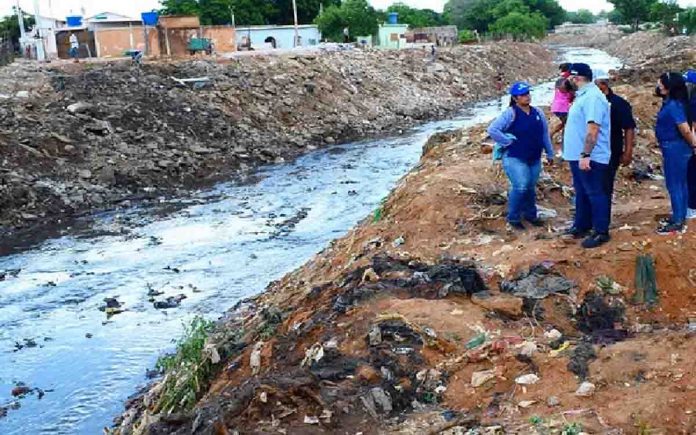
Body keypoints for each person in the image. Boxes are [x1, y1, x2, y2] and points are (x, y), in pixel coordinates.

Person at [488, 81, 554, 230]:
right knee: (520, 186)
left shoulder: (538, 113)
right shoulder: (510, 113)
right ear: (515, 98)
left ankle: (531, 215)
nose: (526, 97)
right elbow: (493, 130)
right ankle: (514, 217)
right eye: (522, 95)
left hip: (534, 156)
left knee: (530, 187)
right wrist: (507, 142)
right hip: (515, 156)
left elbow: (544, 134)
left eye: (527, 94)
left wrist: (550, 152)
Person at [562, 63, 612, 249]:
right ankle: (582, 225)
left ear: (576, 78)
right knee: (582, 192)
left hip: (591, 156)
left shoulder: (593, 98)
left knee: (595, 193)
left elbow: (593, 128)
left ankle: (601, 231)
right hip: (578, 155)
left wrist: (586, 154)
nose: (567, 81)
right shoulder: (583, 96)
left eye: (569, 77)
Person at [654, 72, 696, 234]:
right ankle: (680, 215)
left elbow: (685, 129)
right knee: (680, 184)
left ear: (668, 87)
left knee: (675, 184)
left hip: (675, 149)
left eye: (661, 83)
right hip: (674, 147)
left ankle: (678, 221)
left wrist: (694, 144)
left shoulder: (674, 106)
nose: (658, 86)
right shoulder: (673, 103)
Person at [595, 72, 636, 215]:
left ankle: (602, 219)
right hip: (592, 151)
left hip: (611, 150)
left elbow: (629, 128)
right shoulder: (592, 103)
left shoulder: (619, 104)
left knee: (605, 186)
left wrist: (627, 152)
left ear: (603, 85)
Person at [550, 63, 574, 150]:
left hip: (556, 106)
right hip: (563, 108)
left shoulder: (559, 80)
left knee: (564, 123)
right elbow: (571, 94)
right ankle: (565, 146)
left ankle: (551, 135)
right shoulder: (567, 81)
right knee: (567, 126)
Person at [684, 70, 696, 218]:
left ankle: (692, 207)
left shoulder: (693, 102)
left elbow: (694, 125)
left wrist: (693, 145)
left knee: (692, 175)